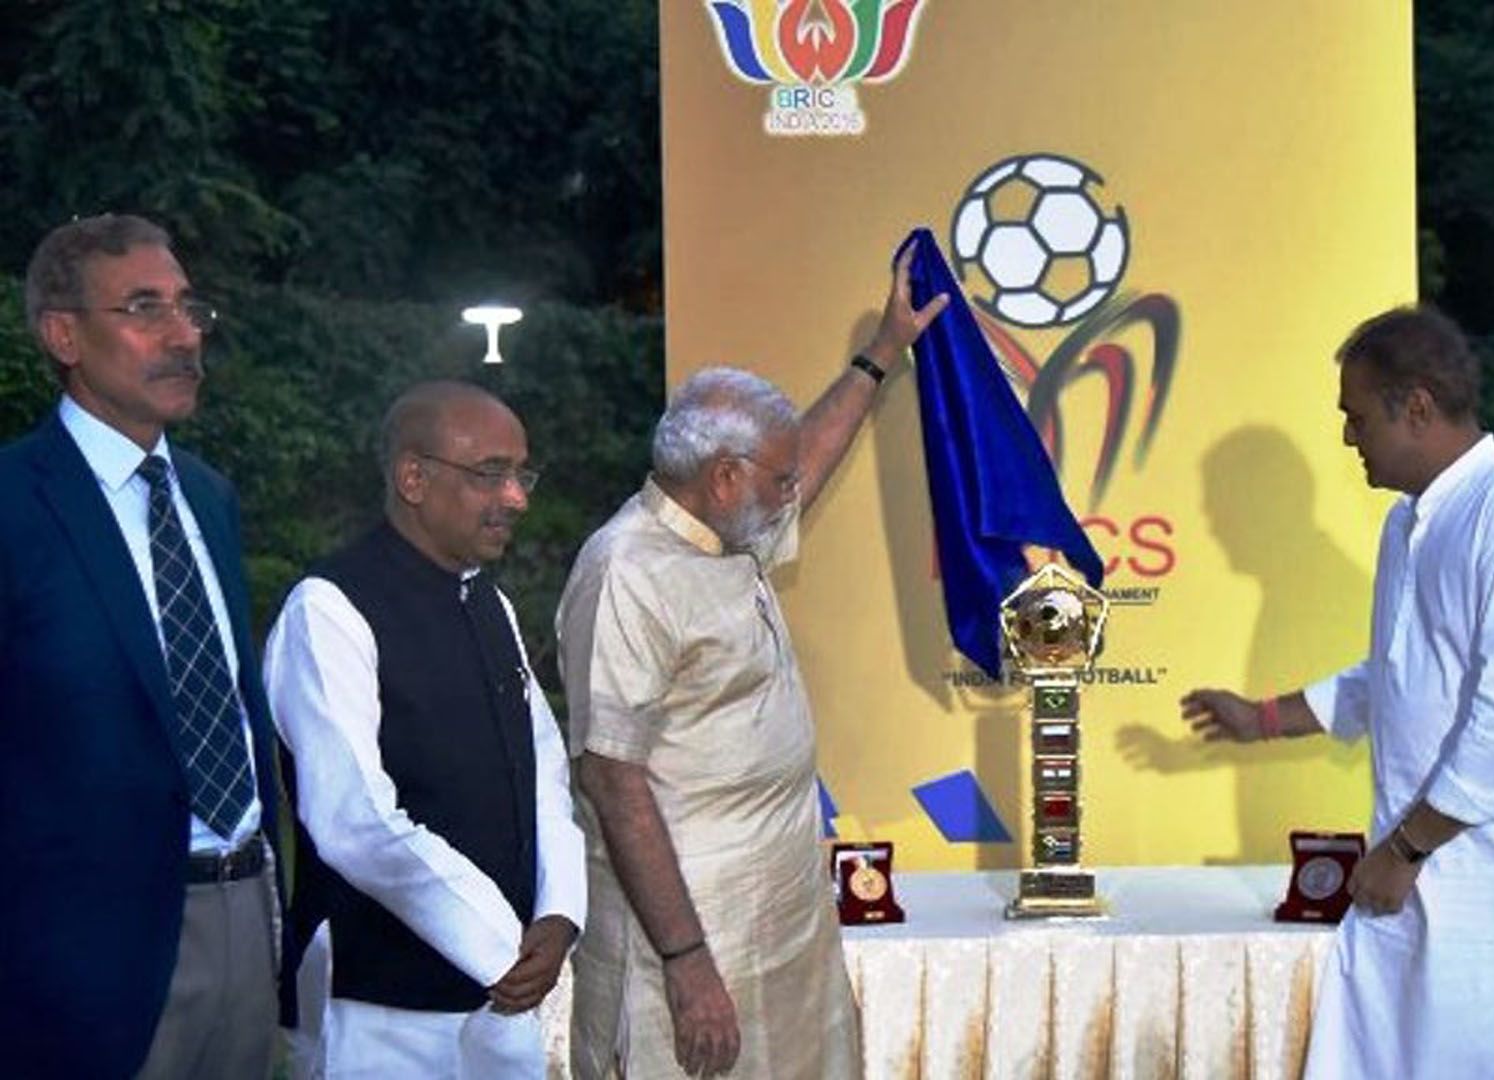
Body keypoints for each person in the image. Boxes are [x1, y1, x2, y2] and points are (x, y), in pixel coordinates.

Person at [1181, 307, 1494, 1078]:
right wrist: (1262, 718)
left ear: (1417, 407)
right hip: (1427, 877)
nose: (1348, 437)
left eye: (1357, 417)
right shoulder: (1408, 522)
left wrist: (1402, 849)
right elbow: (1395, 676)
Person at [557, 245, 947, 1079]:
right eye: (779, 480)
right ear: (726, 476)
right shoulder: (626, 572)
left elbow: (810, 457)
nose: (793, 492)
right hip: (694, 942)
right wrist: (688, 962)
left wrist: (880, 353)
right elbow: (613, 782)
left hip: (782, 916)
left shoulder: (729, 531)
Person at [0, 213, 281, 1077]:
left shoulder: (209, 497)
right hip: (80, 961)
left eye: (190, 308)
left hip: (246, 912)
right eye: (144, 307)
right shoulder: (13, 503)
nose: (183, 334)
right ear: (63, 336)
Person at [265, 380, 586, 1076]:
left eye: (521, 474)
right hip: (379, 1002)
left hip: (504, 996)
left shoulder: (490, 603)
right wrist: (498, 944)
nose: (517, 498)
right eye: (491, 474)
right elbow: (354, 821)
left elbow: (543, 772)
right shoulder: (329, 609)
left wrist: (560, 913)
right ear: (413, 478)